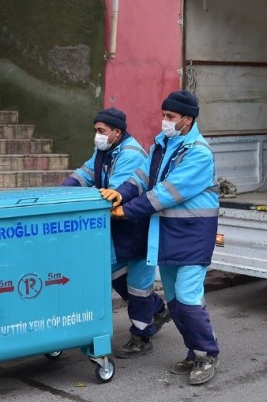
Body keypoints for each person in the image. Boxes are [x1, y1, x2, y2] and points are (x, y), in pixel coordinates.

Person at [100, 91, 221, 385]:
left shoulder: (198, 153)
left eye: (170, 117)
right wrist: (122, 192)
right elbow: (143, 177)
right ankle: (193, 352)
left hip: (193, 235)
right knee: (176, 302)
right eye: (163, 115)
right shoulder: (162, 143)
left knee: (189, 300)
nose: (164, 121)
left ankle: (207, 354)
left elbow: (167, 192)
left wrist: (127, 211)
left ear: (187, 120)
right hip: (166, 234)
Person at [62, 107, 171, 359]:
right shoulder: (105, 150)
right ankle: (156, 309)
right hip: (120, 227)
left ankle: (142, 336)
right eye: (96, 131)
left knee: (138, 287)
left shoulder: (130, 154)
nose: (97, 136)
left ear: (116, 132)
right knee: (113, 272)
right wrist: (60, 192)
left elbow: (114, 193)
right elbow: (85, 174)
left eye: (101, 131)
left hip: (137, 226)